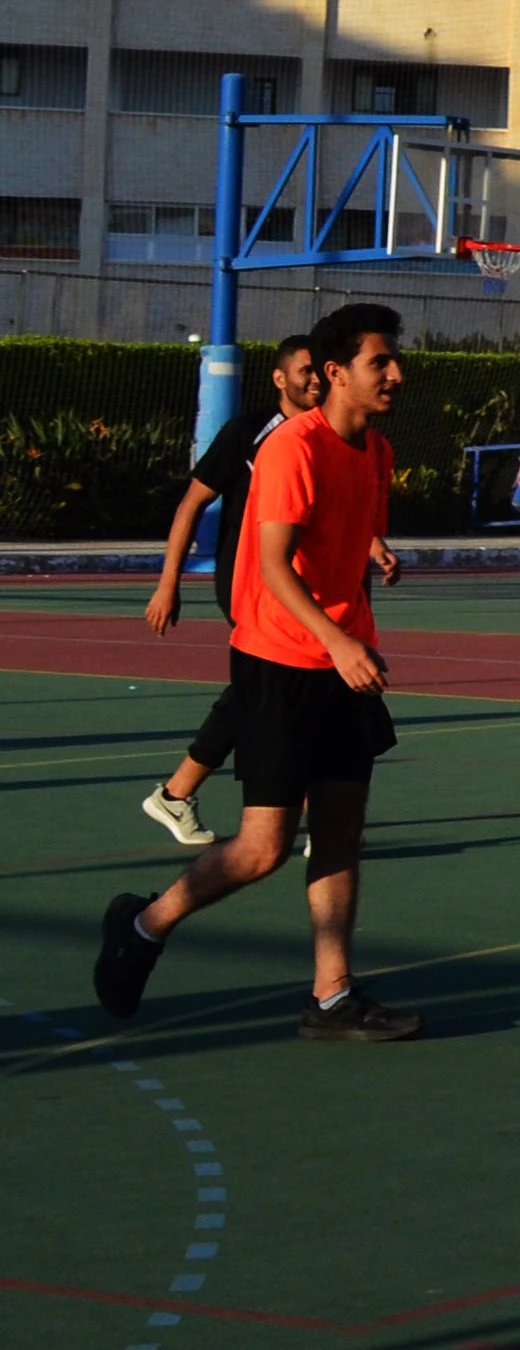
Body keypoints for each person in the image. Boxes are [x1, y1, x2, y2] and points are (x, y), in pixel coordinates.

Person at [96, 301, 425, 1042]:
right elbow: (272, 566)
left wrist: (371, 571)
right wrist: (337, 643)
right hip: (280, 662)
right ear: (336, 373)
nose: (397, 374)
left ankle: (332, 996)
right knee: (262, 848)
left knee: (341, 828)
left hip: (344, 664)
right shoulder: (289, 449)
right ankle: (143, 925)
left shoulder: (376, 452)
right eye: (382, 362)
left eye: (396, 360)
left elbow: (351, 531)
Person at [135, 335, 328, 846]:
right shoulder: (248, 434)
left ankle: (176, 795)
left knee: (268, 692)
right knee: (281, 688)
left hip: (304, 583)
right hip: (248, 581)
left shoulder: (329, 432)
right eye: (304, 371)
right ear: (280, 378)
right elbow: (190, 504)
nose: (315, 379)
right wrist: (168, 582)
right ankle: (315, 816)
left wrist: (374, 545)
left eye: (319, 371)